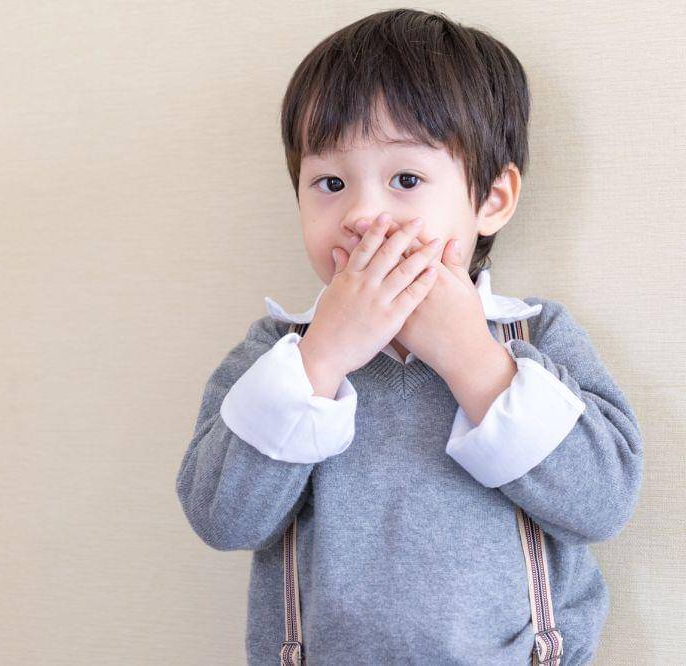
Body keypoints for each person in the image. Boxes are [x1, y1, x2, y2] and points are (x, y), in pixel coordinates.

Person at [174, 8, 644, 665]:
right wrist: (324, 357)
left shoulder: (535, 334)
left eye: (406, 179)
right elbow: (222, 517)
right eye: (330, 183)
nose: (364, 214)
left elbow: (601, 504)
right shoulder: (277, 353)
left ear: (492, 200)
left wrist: (473, 359)